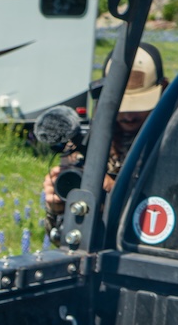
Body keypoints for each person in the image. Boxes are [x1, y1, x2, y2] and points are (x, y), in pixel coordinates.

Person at [43, 42, 166, 217]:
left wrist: (111, 191)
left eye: (139, 106)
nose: (129, 116)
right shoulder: (87, 144)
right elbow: (62, 236)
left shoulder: (174, 142)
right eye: (121, 108)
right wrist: (58, 209)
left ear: (164, 90)